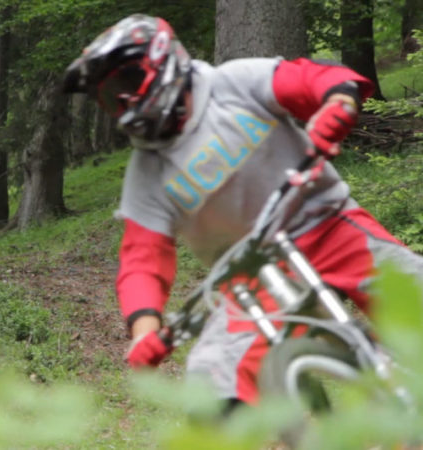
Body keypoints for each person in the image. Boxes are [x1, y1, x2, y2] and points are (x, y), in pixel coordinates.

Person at [63, 14, 423, 408]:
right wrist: (144, 330)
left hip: (328, 225)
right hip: (254, 275)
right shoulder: (146, 174)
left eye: (127, 83)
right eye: (110, 95)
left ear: (161, 61)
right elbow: (141, 258)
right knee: (213, 375)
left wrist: (336, 101)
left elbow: (305, 78)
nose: (124, 100)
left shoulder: (231, 83)